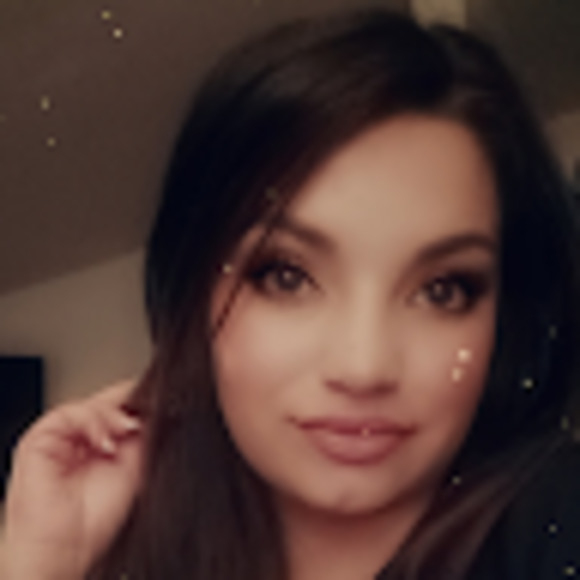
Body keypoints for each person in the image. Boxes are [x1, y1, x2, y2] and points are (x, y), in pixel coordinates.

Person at [1, 6, 580, 580]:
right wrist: (43, 566)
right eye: (287, 276)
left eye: (443, 290)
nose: (363, 368)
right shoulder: (139, 548)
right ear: (194, 289)